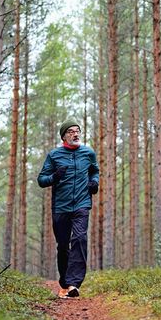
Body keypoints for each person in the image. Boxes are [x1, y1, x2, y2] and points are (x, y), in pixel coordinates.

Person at [37, 120, 99, 298]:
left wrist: (94, 182)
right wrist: (55, 177)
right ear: (64, 136)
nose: (75, 134)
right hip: (61, 206)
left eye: (77, 131)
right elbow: (41, 180)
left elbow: (95, 171)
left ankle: (73, 283)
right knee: (63, 245)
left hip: (82, 204)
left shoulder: (88, 153)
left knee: (79, 238)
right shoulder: (54, 155)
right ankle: (65, 283)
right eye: (71, 131)